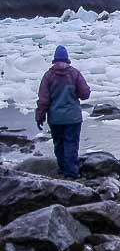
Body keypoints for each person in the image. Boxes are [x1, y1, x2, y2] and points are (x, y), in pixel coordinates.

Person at [35, 45, 91, 179]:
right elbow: (85, 94)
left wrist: (39, 117)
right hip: (73, 118)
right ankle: (71, 172)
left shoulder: (48, 76)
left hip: (56, 118)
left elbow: (43, 100)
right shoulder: (74, 73)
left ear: (55, 59)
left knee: (58, 144)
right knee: (71, 143)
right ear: (67, 59)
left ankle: (62, 169)